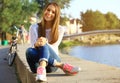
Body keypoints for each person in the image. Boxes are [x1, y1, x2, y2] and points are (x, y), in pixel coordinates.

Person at [26, 2, 81, 82]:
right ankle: (61, 65)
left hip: (52, 66)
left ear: (56, 15)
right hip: (36, 66)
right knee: (29, 51)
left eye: (53, 12)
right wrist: (36, 44)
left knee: (43, 43)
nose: (49, 13)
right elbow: (32, 46)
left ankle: (42, 70)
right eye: (48, 10)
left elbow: (53, 48)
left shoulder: (60, 29)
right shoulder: (34, 27)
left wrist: (44, 41)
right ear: (44, 10)